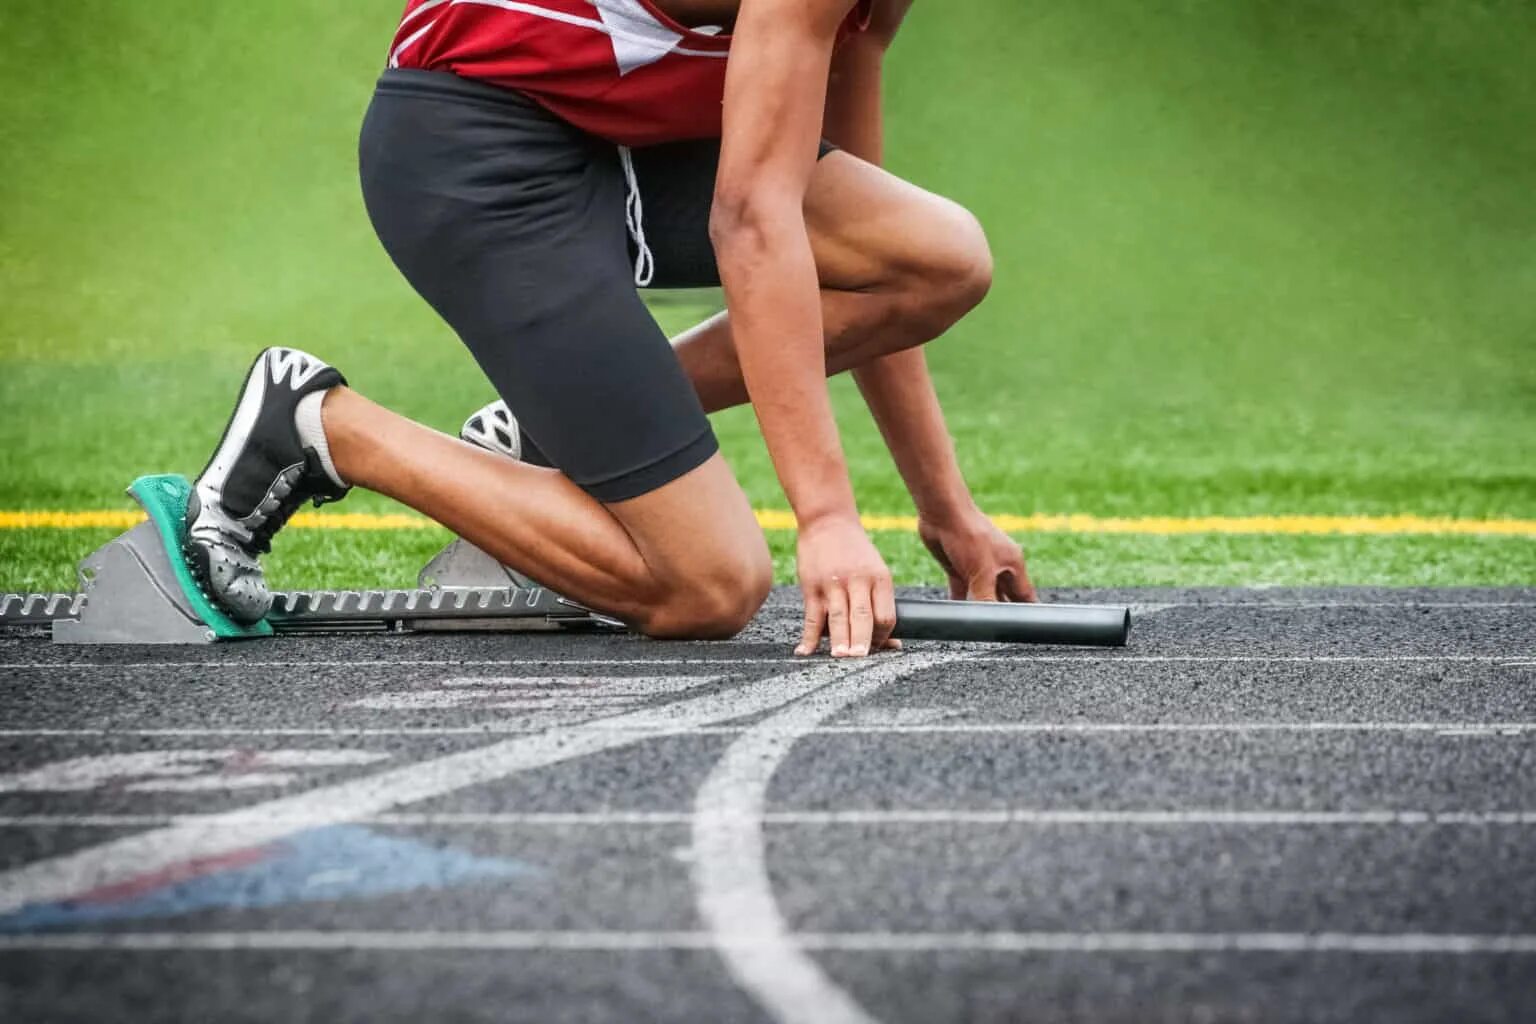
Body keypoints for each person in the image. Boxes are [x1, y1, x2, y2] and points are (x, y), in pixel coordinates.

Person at [185, 0, 1036, 659]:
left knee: (937, 257)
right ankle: (320, 426)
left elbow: (847, 228)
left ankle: (544, 436)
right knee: (710, 585)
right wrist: (827, 521)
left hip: (616, 140)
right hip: (469, 149)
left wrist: (947, 512)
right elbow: (752, 223)